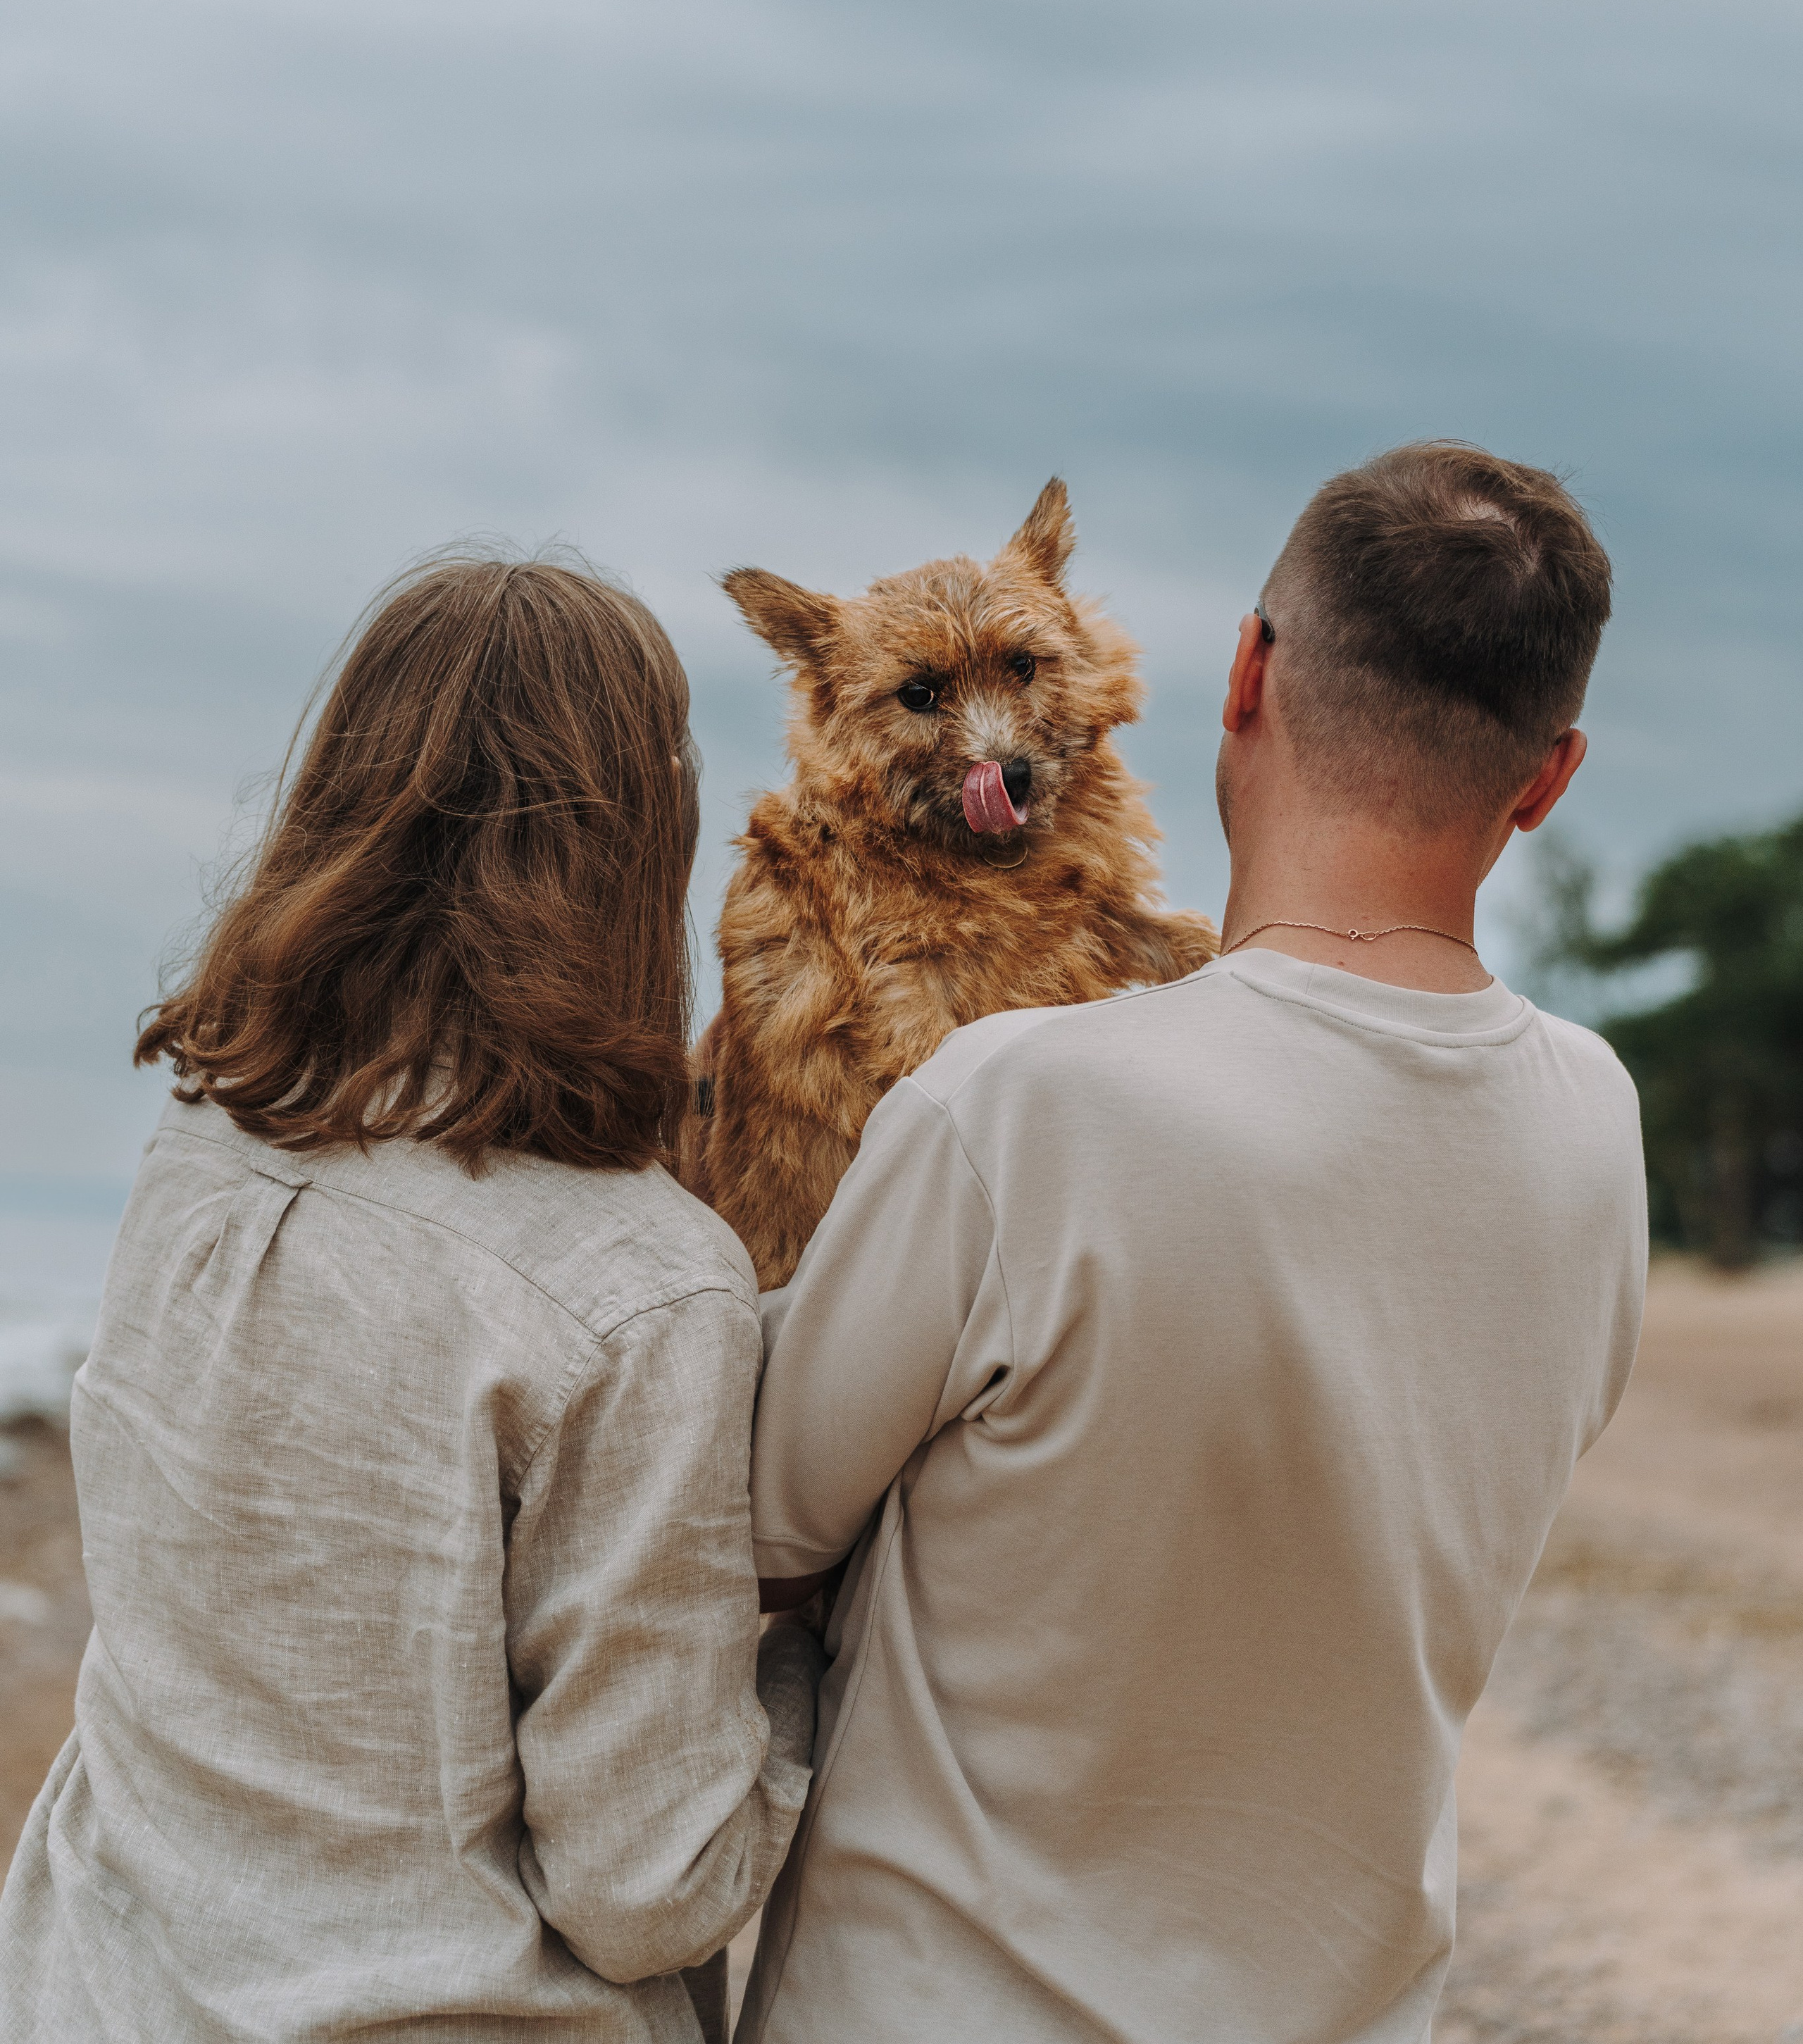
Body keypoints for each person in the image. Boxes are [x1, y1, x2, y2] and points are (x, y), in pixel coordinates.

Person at [741, 441, 1647, 2044]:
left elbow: (759, 1519)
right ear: (1546, 775)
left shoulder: (1011, 1105)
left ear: (1242, 673)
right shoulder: (1594, 1129)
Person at [0, 554, 818, 2044]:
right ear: (643, 834)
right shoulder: (640, 1285)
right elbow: (645, 1884)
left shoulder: (201, 1147)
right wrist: (813, 1652)